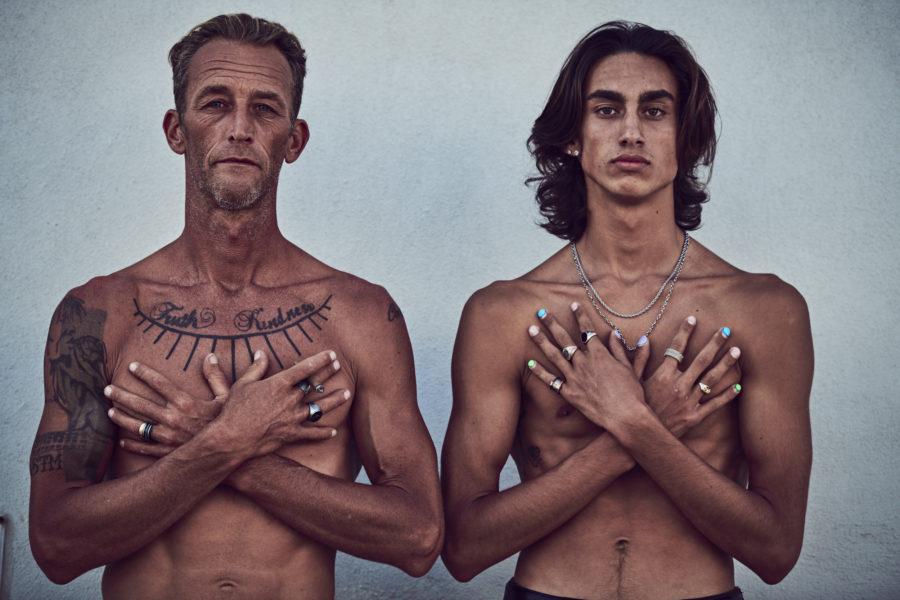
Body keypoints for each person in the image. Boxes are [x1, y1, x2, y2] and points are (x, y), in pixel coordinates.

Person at [29, 14, 443, 599]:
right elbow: (55, 545)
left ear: (294, 139)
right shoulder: (98, 312)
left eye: (266, 109)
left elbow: (420, 537)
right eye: (216, 104)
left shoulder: (359, 314)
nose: (240, 128)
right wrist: (225, 442)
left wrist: (219, 444)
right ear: (177, 129)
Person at [442, 21, 812, 600]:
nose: (632, 132)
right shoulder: (503, 315)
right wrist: (638, 432)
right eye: (608, 110)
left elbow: (776, 550)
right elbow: (463, 548)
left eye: (656, 112)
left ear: (686, 139)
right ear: (573, 136)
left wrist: (635, 423)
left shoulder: (765, 311)